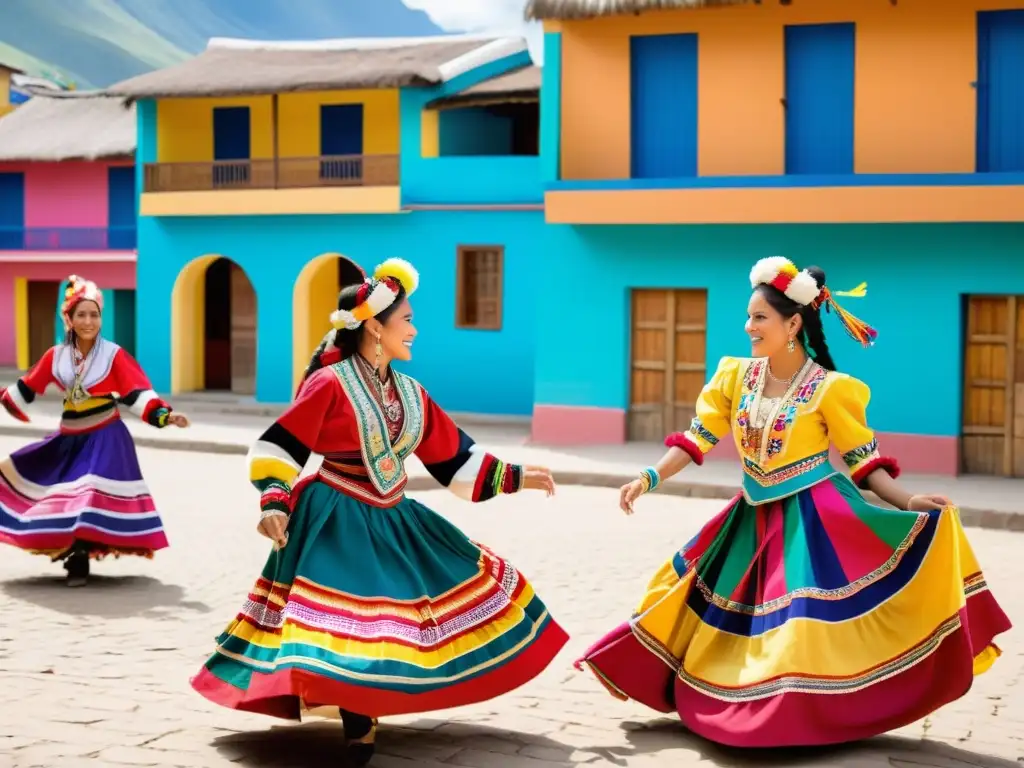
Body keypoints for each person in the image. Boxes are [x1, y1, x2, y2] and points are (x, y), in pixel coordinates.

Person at [575, 256, 1012, 748]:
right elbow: (697, 439)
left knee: (795, 628)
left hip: (814, 520)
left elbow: (863, 463)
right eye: (748, 316)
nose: (748, 327)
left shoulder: (829, 389)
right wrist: (649, 476)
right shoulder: (734, 378)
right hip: (750, 515)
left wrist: (909, 500)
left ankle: (787, 720)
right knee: (683, 594)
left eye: (759, 317)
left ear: (793, 324)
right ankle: (721, 700)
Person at [191, 258, 568, 766]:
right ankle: (357, 717)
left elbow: (454, 458)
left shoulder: (413, 394)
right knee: (347, 618)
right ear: (374, 327)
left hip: (393, 514)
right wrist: (275, 500)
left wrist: (518, 476)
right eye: (406, 319)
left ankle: (368, 702)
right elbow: (279, 446)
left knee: (420, 606)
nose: (414, 329)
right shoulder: (329, 383)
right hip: (335, 514)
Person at [0, 275, 189, 587]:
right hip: (68, 439)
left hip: (106, 436)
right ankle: (71, 548)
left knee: (86, 497)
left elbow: (136, 394)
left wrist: (165, 417)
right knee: (48, 490)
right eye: (81, 314)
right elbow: (27, 386)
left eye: (94, 314)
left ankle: (79, 560)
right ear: (69, 319)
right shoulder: (55, 356)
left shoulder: (113, 355)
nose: (89, 321)